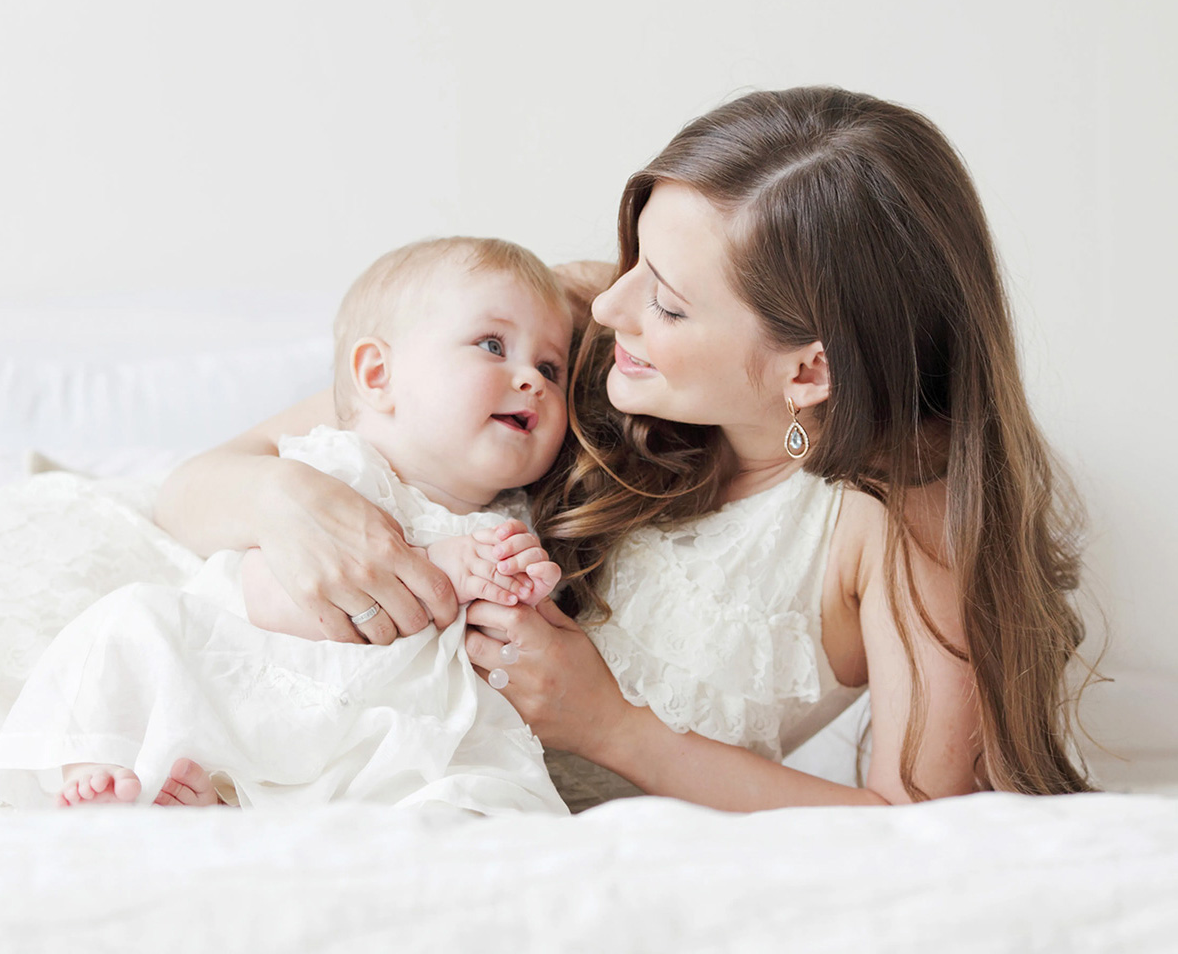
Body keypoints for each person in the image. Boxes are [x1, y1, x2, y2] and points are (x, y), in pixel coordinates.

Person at [154, 87, 1094, 809]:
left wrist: (615, 729)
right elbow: (191, 488)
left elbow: (920, 828)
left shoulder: (903, 525)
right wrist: (291, 504)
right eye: (636, 257)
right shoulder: (556, 339)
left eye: (668, 304)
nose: (608, 304)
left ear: (809, 370)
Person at [0, 236, 574, 814]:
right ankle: (111, 767)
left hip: (387, 740)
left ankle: (282, 826)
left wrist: (520, 590)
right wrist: (439, 567)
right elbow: (267, 594)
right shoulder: (335, 468)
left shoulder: (515, 518)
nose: (533, 380)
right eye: (492, 345)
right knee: (128, 622)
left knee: (485, 785)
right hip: (261, 694)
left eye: (551, 367)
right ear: (377, 375)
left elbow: (512, 663)